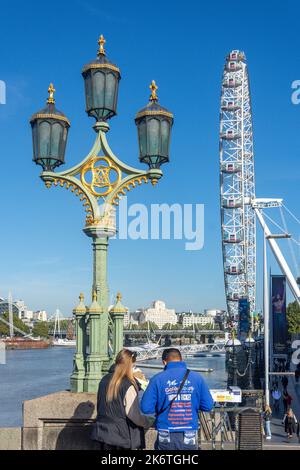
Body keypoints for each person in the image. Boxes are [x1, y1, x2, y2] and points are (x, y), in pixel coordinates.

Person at [141, 348, 214, 451]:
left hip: (165, 433)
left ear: (164, 362)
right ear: (181, 359)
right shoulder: (197, 378)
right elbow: (208, 406)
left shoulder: (157, 379)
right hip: (189, 434)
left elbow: (146, 408)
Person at [91, 349, 151, 450]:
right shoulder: (128, 384)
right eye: (133, 366)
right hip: (121, 437)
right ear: (130, 365)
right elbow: (133, 415)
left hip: (103, 433)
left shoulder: (104, 380)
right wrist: (147, 421)